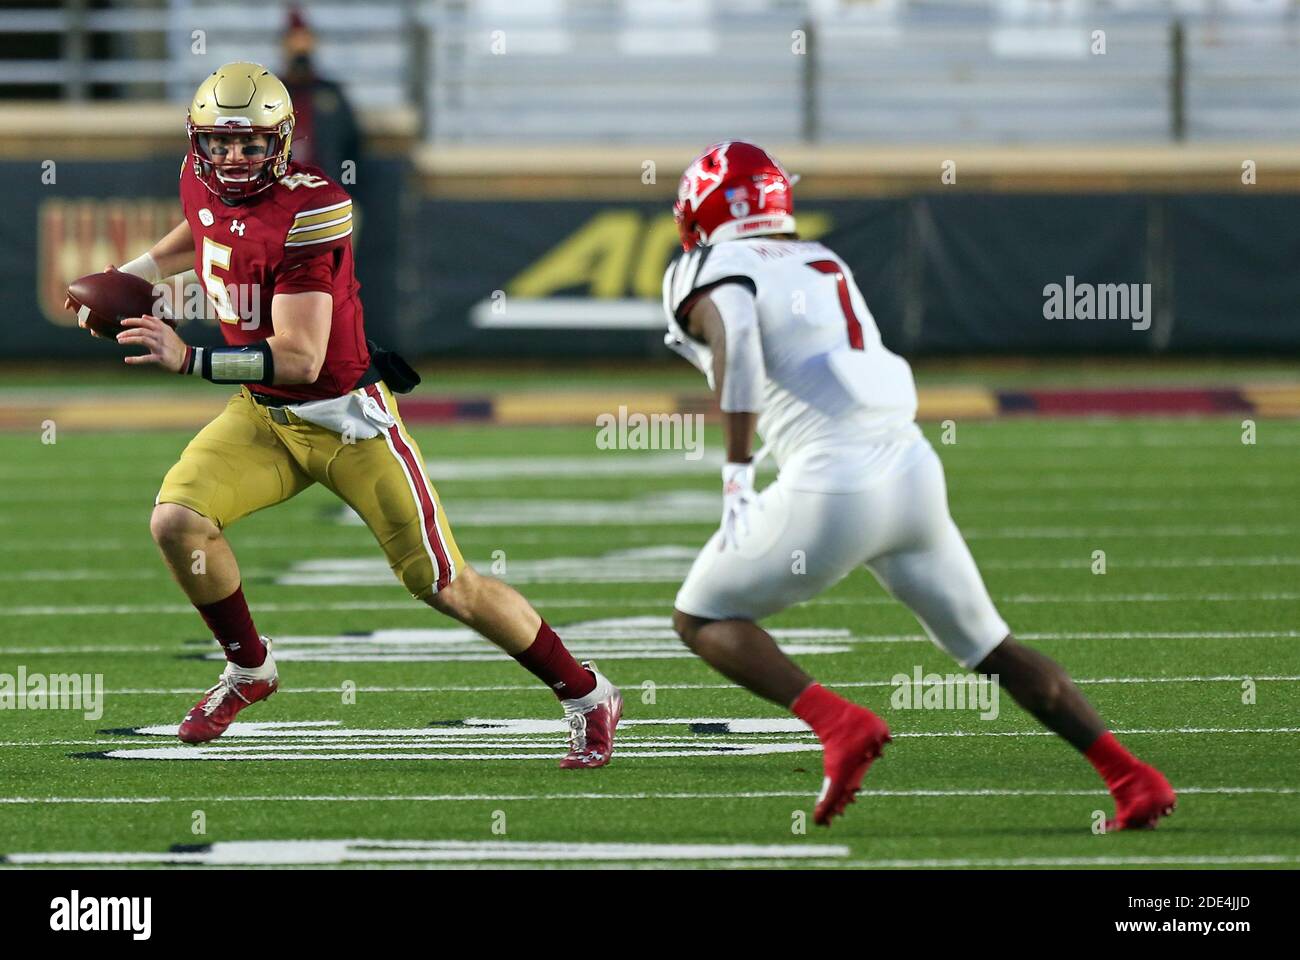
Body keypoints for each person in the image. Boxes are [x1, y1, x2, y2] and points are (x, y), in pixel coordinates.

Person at [70, 62, 621, 768]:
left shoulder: (312, 208)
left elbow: (299, 359)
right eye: (219, 144)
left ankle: (586, 693)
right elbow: (202, 226)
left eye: (250, 145)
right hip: (265, 418)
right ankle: (250, 670)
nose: (232, 160)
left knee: (446, 585)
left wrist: (190, 360)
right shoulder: (198, 177)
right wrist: (136, 274)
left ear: (283, 141)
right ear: (198, 142)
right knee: (177, 520)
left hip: (346, 420)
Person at [662, 140, 1176, 827]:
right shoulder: (823, 259)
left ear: (701, 211)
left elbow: (742, 347)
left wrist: (734, 469)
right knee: (993, 648)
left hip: (832, 487)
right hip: (911, 476)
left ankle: (838, 724)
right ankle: (1130, 775)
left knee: (700, 619)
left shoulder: (706, 266)